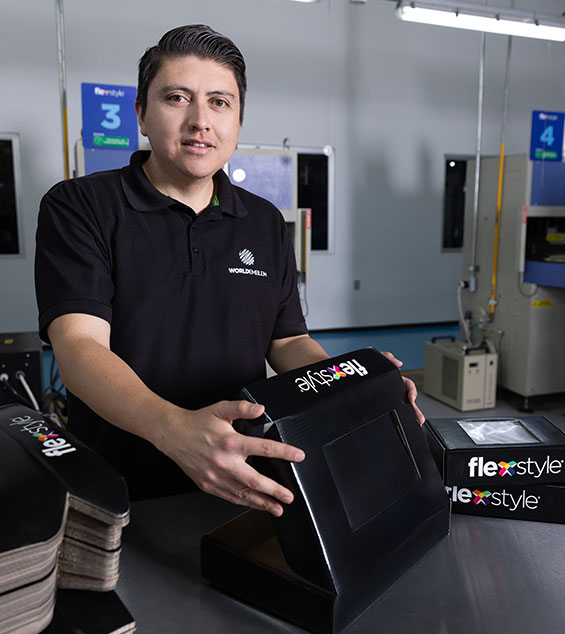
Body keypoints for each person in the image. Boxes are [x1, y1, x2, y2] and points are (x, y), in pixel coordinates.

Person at [35, 24, 421, 516]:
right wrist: (174, 430)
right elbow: (79, 347)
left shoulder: (264, 222)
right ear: (142, 114)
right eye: (177, 98)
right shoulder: (82, 206)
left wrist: (352, 385)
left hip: (242, 478)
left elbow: (288, 342)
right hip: (124, 492)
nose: (200, 120)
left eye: (220, 102)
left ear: (238, 121)